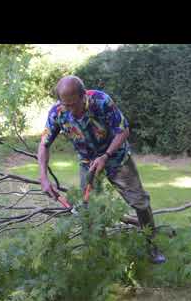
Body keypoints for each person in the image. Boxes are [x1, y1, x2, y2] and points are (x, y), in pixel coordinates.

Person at [37, 75, 166, 264]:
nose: (69, 110)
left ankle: (152, 246)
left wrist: (105, 156)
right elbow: (43, 144)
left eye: (73, 104)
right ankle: (101, 255)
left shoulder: (101, 101)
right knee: (89, 210)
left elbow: (123, 130)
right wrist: (43, 177)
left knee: (140, 202)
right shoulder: (58, 112)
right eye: (65, 104)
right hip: (87, 163)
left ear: (83, 96)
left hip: (116, 158)